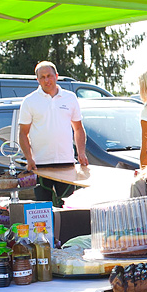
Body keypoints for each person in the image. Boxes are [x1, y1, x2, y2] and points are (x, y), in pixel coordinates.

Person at [18, 60, 88, 207]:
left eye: (49, 76)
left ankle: (69, 231)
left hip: (67, 164)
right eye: (42, 77)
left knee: (69, 207)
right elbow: (23, 133)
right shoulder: (29, 101)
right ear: (37, 80)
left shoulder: (70, 98)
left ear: (56, 76)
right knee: (44, 209)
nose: (46, 80)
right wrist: (29, 158)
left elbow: (79, 129)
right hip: (41, 166)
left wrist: (81, 153)